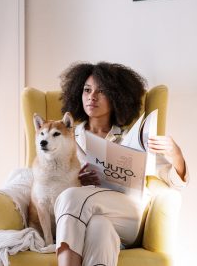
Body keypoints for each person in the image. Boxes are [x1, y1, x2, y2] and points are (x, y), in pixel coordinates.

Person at [54, 62, 188, 266]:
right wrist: (75, 178)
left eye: (102, 91)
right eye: (87, 90)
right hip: (88, 217)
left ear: (116, 97)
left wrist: (176, 155)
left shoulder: (131, 138)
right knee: (100, 228)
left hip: (127, 215)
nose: (92, 96)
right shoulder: (65, 137)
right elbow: (46, 178)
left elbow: (175, 181)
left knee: (71, 196)